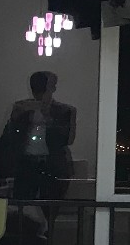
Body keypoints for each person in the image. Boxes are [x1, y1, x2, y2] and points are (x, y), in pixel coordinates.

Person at [5, 70, 77, 200]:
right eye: (36, 89)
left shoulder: (65, 111)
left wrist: (48, 118)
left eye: (43, 89)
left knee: (50, 205)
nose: (39, 94)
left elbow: (68, 139)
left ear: (53, 88)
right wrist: (15, 118)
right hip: (26, 165)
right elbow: (9, 138)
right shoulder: (22, 108)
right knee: (22, 205)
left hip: (53, 166)